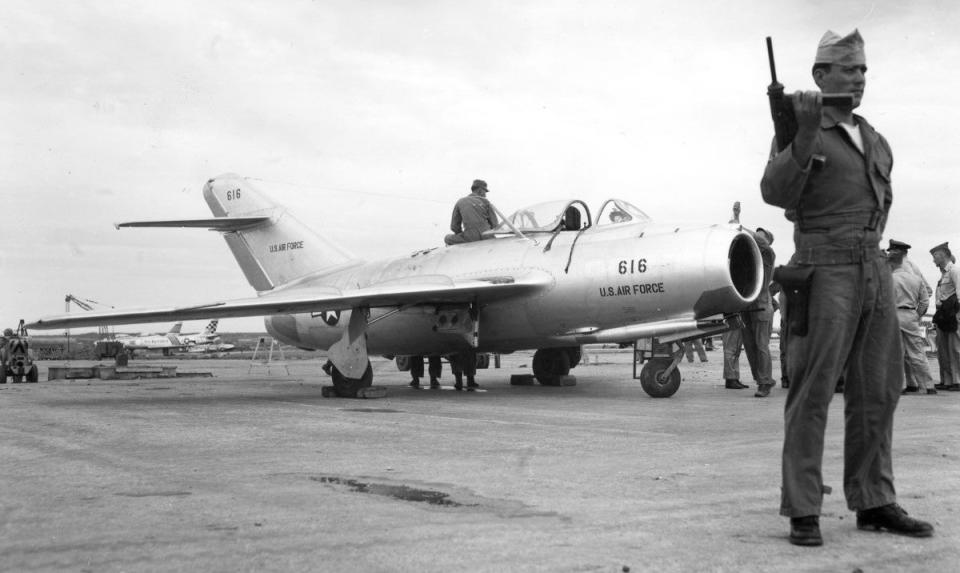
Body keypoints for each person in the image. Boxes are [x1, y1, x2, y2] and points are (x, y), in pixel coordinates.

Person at [760, 29, 933, 546]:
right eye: (848, 70)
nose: (858, 79)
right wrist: (806, 133)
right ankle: (804, 508)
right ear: (820, 76)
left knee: (879, 391)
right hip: (823, 267)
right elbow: (776, 192)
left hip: (874, 269)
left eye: (863, 71)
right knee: (813, 391)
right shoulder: (800, 129)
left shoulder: (874, 137)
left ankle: (875, 499)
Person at [888, 249, 936, 394]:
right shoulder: (916, 279)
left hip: (893, 315)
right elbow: (925, 301)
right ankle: (928, 385)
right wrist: (917, 315)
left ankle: (900, 385)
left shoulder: (889, 279)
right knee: (917, 352)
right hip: (910, 315)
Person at [744, 228, 777, 397]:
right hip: (747, 307)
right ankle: (762, 379)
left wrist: (740, 224)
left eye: (761, 234)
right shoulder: (751, 258)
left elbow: (761, 243)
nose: (757, 236)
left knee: (761, 345)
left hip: (762, 307)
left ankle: (764, 383)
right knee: (750, 346)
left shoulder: (769, 256)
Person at [931, 242, 960, 391]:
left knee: (955, 347)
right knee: (943, 349)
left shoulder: (954, 271)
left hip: (953, 313)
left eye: (935, 256)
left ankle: (958, 381)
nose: (933, 260)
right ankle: (947, 380)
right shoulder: (942, 276)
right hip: (943, 314)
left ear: (943, 255)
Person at [444, 179, 498, 245]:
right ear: (480, 190)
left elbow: (454, 226)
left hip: (470, 237)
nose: (485, 195)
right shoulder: (486, 202)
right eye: (485, 192)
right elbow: (495, 224)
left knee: (447, 238)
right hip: (488, 237)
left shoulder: (460, 202)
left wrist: (462, 234)